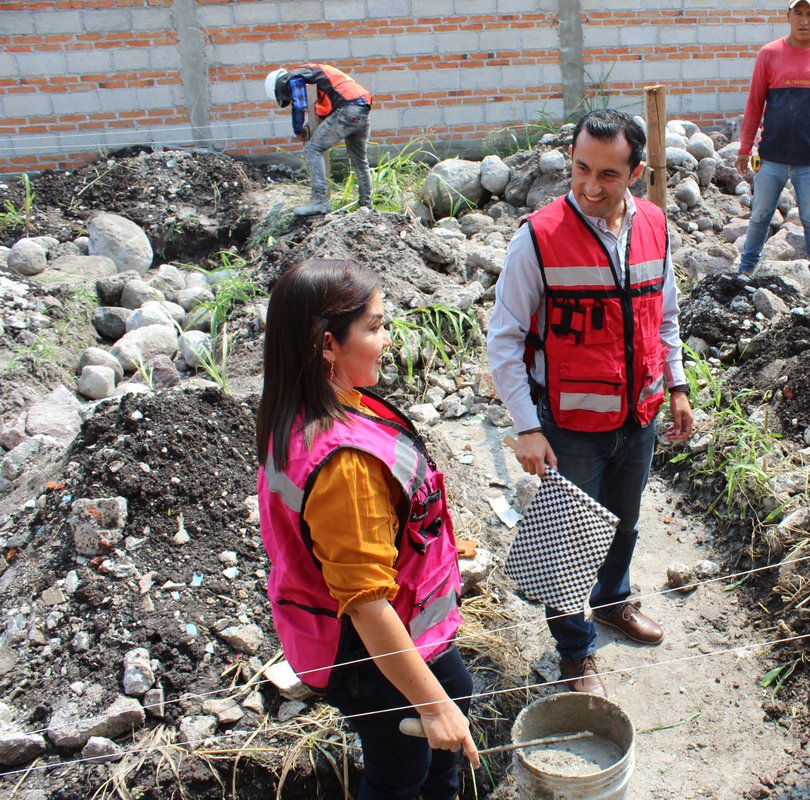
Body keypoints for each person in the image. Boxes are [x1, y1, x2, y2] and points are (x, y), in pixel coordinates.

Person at [487, 109, 694, 697]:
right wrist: (528, 427)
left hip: (639, 417)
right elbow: (503, 340)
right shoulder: (539, 238)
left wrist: (676, 386)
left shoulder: (654, 225)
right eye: (581, 169)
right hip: (569, 425)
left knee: (623, 525)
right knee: (567, 539)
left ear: (636, 172)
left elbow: (665, 316)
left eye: (608, 174)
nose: (590, 186)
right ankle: (575, 654)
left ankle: (612, 601)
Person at [256, 259, 479, 799]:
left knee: (447, 721)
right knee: (401, 770)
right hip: (368, 651)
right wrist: (432, 706)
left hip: (401, 631)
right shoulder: (343, 467)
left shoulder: (321, 406)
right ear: (328, 344)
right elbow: (367, 605)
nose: (386, 338)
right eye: (375, 327)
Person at [735, 0, 810, 304]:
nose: (803, 20)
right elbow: (755, 104)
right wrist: (745, 148)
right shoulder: (769, 54)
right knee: (760, 216)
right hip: (771, 156)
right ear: (787, 16)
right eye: (798, 13)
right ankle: (745, 272)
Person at [263, 65, 373, 216]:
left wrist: (298, 129)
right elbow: (327, 113)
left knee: (313, 148)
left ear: (280, 86)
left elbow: (299, 104)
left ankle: (319, 201)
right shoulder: (315, 74)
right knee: (360, 160)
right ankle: (365, 205)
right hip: (361, 108)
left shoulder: (295, 78)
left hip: (347, 108)